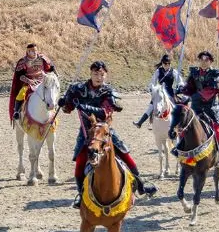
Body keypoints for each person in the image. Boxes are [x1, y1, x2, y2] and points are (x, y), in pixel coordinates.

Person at [59, 60, 157, 209]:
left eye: (101, 74)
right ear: (90, 74)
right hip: (87, 132)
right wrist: (65, 103)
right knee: (80, 162)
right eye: (95, 74)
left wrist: (84, 105)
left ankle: (141, 185)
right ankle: (80, 194)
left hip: (105, 131)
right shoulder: (79, 89)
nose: (98, 77)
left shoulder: (108, 92)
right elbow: (68, 109)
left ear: (106, 75)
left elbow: (106, 112)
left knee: (125, 154)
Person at [181, 51, 219, 165]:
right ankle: (180, 148)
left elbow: (211, 91)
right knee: (185, 126)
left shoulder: (215, 74)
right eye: (201, 60)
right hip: (196, 106)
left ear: (210, 61)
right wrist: (182, 90)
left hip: (211, 107)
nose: (203, 62)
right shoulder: (194, 72)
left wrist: (195, 95)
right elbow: (190, 87)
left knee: (218, 130)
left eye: (206, 60)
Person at [10, 43, 56, 122]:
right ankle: (17, 112)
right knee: (21, 93)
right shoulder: (23, 62)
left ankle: (53, 109)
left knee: (50, 91)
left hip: (42, 81)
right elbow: (20, 76)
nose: (35, 52)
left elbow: (51, 67)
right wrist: (29, 81)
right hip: (29, 83)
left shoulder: (42, 58)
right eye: (32, 51)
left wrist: (55, 74)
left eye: (36, 50)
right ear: (28, 52)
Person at [134, 54, 180, 127]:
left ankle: (178, 125)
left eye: (169, 63)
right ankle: (140, 123)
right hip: (160, 93)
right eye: (165, 63)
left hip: (169, 93)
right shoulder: (158, 71)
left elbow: (180, 81)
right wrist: (153, 90)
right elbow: (152, 82)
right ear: (162, 63)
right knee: (151, 107)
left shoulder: (173, 71)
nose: (167, 65)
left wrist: (180, 86)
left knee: (176, 108)